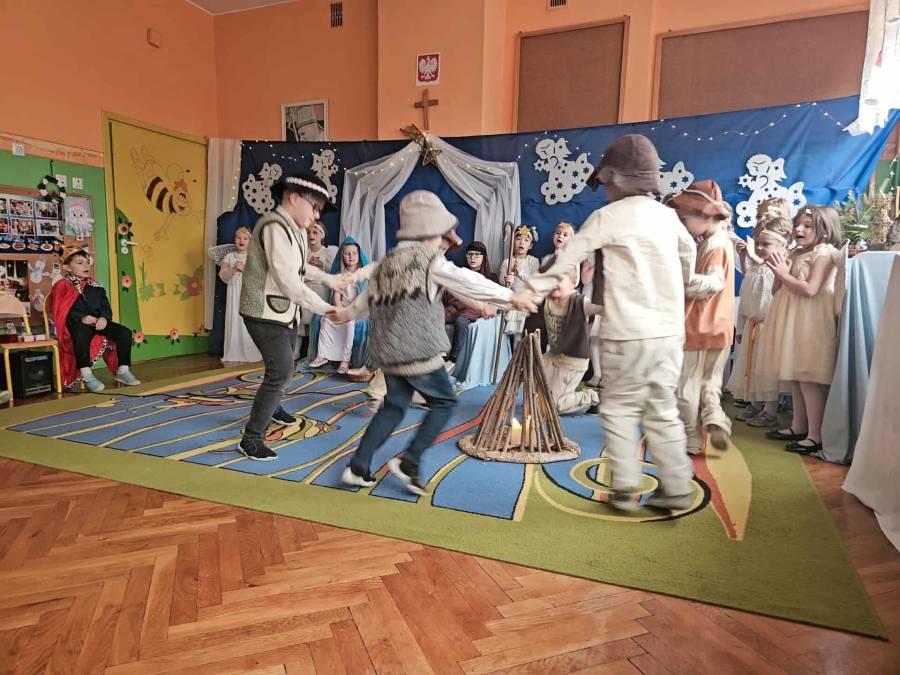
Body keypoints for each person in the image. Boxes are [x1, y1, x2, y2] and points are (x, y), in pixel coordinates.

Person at [525, 134, 698, 512]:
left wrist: (531, 289)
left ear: (616, 178)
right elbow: (688, 255)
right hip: (669, 333)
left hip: (627, 333)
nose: (604, 190)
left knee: (619, 410)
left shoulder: (608, 216)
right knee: (662, 409)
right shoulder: (667, 216)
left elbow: (568, 256)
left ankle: (624, 487)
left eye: (605, 182)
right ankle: (677, 486)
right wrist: (684, 283)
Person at [330, 190, 538, 493]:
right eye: (442, 233)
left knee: (393, 407)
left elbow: (366, 301)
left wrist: (346, 313)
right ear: (429, 230)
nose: (445, 241)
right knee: (444, 402)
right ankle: (409, 463)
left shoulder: (387, 262)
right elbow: (468, 280)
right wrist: (511, 297)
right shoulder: (429, 261)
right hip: (417, 349)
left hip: (388, 352)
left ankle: (357, 466)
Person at [237, 172, 341, 461]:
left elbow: (300, 267)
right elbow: (288, 281)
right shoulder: (274, 226)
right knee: (280, 371)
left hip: (284, 312)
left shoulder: (295, 230)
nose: (317, 215)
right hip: (262, 312)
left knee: (285, 366)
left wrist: (331, 280)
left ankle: (273, 407)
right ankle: (251, 439)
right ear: (294, 198)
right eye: (315, 207)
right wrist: (327, 309)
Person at [757, 206, 843, 454]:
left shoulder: (825, 253)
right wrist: (778, 271)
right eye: (797, 225)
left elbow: (811, 289)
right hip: (792, 320)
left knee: (808, 377)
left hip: (810, 321)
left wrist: (784, 273)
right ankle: (798, 426)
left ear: (824, 230)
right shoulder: (796, 253)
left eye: (807, 225)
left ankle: (815, 435)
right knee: (795, 375)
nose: (798, 229)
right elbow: (777, 290)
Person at [666, 180, 736, 454]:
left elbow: (714, 282)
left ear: (705, 216)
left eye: (684, 219)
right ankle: (715, 417)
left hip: (698, 325)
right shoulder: (721, 241)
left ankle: (690, 438)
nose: (682, 225)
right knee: (710, 382)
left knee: (687, 386)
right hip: (721, 326)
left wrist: (681, 282)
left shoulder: (714, 246)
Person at [727, 215, 792, 427]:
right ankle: (755, 404)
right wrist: (742, 326)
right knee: (752, 367)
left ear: (782, 245)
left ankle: (770, 409)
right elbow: (748, 297)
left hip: (768, 327)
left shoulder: (780, 269)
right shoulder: (757, 268)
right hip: (753, 325)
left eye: (766, 244)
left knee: (767, 370)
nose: (760, 248)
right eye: (758, 244)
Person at [47, 246, 140, 392]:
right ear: (67, 267)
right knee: (81, 334)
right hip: (77, 324)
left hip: (98, 323)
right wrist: (82, 317)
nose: (85, 266)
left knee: (124, 333)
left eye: (87, 262)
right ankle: (86, 374)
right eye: (79, 263)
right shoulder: (62, 286)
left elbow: (106, 308)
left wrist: (104, 318)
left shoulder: (95, 286)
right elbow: (61, 310)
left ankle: (122, 370)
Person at [528, 267, 601, 415]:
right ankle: (559, 394)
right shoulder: (549, 298)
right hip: (553, 356)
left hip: (573, 361)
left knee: (555, 406)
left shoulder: (579, 302)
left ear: (573, 282)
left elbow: (595, 307)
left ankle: (592, 397)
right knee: (538, 396)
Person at [308, 238, 368, 373]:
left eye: (354, 253)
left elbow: (360, 297)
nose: (351, 256)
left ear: (359, 255)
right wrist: (339, 309)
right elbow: (336, 295)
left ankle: (345, 360)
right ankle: (322, 355)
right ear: (342, 256)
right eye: (347, 253)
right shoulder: (340, 275)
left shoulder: (362, 275)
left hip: (356, 309)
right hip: (342, 307)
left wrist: (348, 311)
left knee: (349, 323)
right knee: (326, 319)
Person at [445, 240, 498, 363]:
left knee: (461, 321)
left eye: (477, 255)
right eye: (470, 254)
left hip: (478, 310)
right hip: (459, 307)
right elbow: (452, 295)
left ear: (483, 257)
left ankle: (456, 355)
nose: (473, 258)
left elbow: (493, 299)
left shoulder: (491, 277)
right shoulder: (459, 275)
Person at [219, 227, 262, 363]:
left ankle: (251, 352)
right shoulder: (229, 257)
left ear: (250, 241)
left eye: (245, 238)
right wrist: (233, 269)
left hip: (247, 292)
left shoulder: (253, 256)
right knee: (234, 317)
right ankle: (233, 352)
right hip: (233, 291)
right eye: (238, 238)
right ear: (235, 240)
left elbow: (259, 277)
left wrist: (244, 269)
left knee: (247, 320)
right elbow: (223, 275)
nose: (241, 240)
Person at [298, 220, 337, 359]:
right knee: (302, 321)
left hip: (320, 290)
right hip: (305, 288)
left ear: (322, 235)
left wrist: (322, 265)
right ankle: (296, 353)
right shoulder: (304, 252)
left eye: (315, 232)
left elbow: (335, 271)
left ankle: (315, 354)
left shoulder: (327, 252)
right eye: (309, 232)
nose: (311, 235)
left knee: (317, 322)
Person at [500, 225, 540, 344]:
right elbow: (502, 283)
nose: (521, 242)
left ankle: (519, 351)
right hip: (511, 300)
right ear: (513, 242)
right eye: (518, 239)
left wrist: (520, 273)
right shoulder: (507, 262)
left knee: (520, 335)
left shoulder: (533, 261)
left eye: (526, 240)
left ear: (530, 245)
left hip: (526, 300)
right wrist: (508, 281)